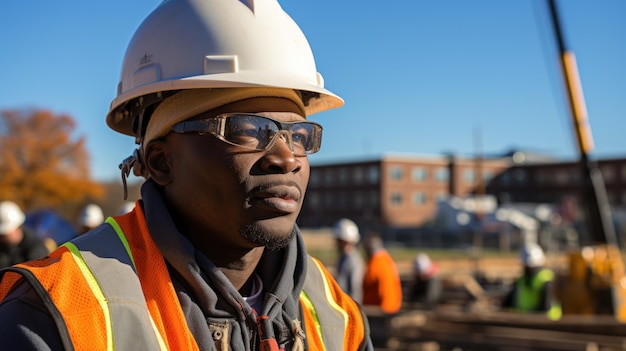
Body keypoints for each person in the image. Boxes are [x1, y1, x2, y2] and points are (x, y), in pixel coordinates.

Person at [0, 0, 372, 350]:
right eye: (246, 129)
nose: (286, 157)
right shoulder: (53, 312)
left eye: (299, 135)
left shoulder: (335, 313)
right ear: (161, 162)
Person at [501, 242, 561, 320]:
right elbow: (507, 304)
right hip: (527, 324)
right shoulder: (521, 281)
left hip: (549, 324)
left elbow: (545, 307)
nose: (528, 269)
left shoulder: (546, 280)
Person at [0, 201, 50, 269]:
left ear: (18, 227)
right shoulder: (3, 247)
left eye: (5, 234)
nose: (2, 237)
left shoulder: (35, 248)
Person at [362, 234, 403, 314]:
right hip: (392, 307)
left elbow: (368, 283)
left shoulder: (376, 263)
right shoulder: (386, 260)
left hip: (379, 310)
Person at [332, 218, 365, 304]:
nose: (336, 243)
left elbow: (355, 289)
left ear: (345, 241)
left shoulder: (353, 260)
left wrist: (352, 310)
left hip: (349, 306)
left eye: (339, 240)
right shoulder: (343, 258)